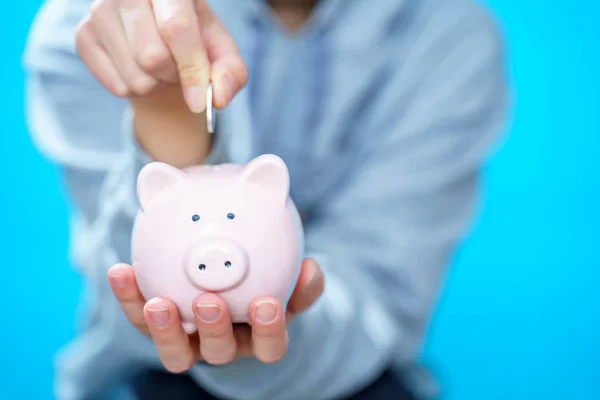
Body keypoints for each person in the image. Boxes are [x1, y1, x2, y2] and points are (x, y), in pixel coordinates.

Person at [23, 0, 508, 399]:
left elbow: (377, 301)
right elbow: (130, 298)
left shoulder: (450, 36)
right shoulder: (99, 28)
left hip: (353, 369)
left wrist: (270, 340)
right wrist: (166, 116)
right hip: (146, 371)